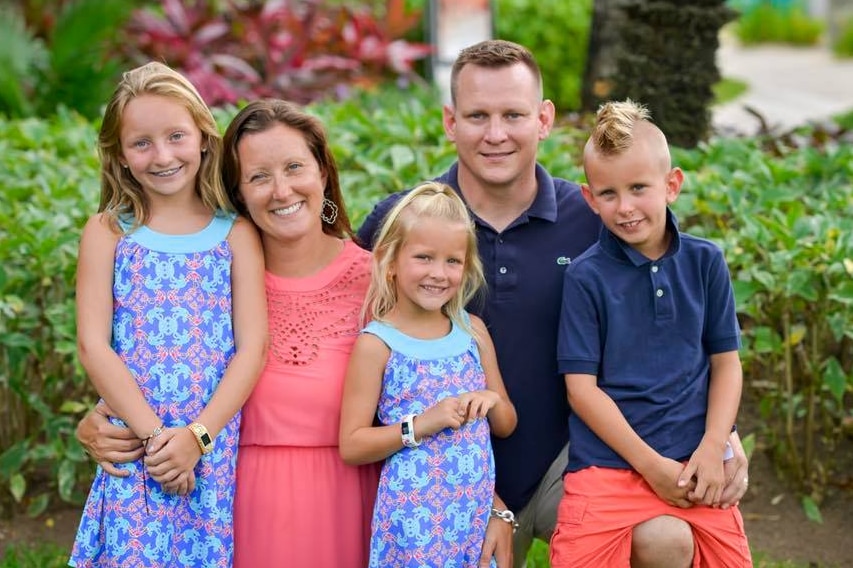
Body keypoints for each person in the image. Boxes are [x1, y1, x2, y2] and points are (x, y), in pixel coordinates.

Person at [356, 39, 751, 567]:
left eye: (513, 115)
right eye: (477, 116)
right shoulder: (402, 222)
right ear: (451, 121)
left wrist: (722, 437)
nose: (495, 134)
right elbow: (347, 336)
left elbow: (680, 336)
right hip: (438, 465)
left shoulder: (597, 218)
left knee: (664, 539)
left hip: (571, 462)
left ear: (543, 119)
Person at [68, 62, 268, 567]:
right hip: (136, 444)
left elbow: (253, 346)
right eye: (142, 143)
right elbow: (94, 345)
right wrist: (157, 439)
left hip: (211, 448)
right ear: (119, 155)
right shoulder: (109, 231)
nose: (162, 156)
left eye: (176, 136)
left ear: (203, 136)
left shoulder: (235, 234)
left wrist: (197, 437)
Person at [549, 99, 752, 568]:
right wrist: (651, 467)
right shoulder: (585, 277)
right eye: (608, 194)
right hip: (607, 470)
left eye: (639, 188)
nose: (625, 208)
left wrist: (712, 445)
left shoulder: (706, 263)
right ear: (588, 197)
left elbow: (725, 363)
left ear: (671, 184)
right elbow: (581, 391)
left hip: (694, 463)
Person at [221, 99, 381, 567]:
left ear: (323, 174)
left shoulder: (381, 283)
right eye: (258, 176)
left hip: (356, 506)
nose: (281, 189)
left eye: (295, 167)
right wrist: (105, 418)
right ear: (239, 194)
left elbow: (437, 389)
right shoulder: (215, 286)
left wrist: (490, 500)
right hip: (242, 514)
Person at [339, 182, 518, 566]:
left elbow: (506, 424)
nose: (439, 274)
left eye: (453, 261)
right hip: (411, 523)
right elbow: (352, 444)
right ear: (391, 261)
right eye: (423, 257)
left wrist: (491, 399)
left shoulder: (472, 331)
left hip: (472, 519)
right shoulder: (378, 343)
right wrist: (421, 425)